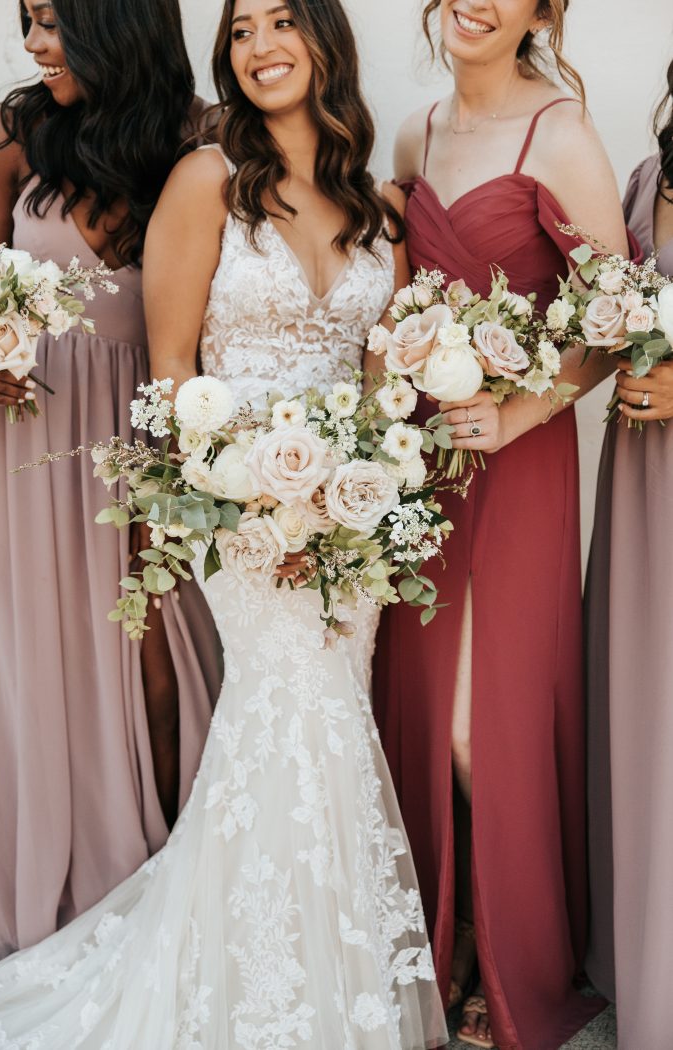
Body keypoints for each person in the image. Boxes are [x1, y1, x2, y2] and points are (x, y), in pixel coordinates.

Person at [0, 2, 449, 1045]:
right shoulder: (203, 184)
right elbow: (171, 371)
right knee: (286, 717)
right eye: (241, 31)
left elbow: (381, 387)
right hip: (242, 513)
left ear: (327, 41)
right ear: (226, 58)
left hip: (350, 521)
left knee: (334, 723)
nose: (262, 45)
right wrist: (247, 494)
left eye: (284, 21)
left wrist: (360, 486)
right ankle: (260, 985)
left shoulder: (379, 208)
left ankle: (328, 972)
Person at [373, 2, 630, 1047]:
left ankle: (512, 950)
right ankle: (440, 947)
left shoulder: (559, 132)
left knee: (489, 725)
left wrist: (517, 411)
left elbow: (615, 324)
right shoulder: (412, 132)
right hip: (418, 460)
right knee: (422, 708)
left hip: (518, 459)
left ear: (543, 9)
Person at [0, 0, 220, 967]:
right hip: (21, 429)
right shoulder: (16, 127)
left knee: (157, 649)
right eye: (28, 21)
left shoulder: (200, 139)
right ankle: (46, 872)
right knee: (36, 644)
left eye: (52, 21)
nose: (34, 45)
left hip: (147, 422)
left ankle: (168, 874)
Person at [586, 60, 673, 1050]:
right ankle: (646, 951)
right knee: (648, 704)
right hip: (642, 478)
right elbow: (606, 318)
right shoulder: (646, 181)